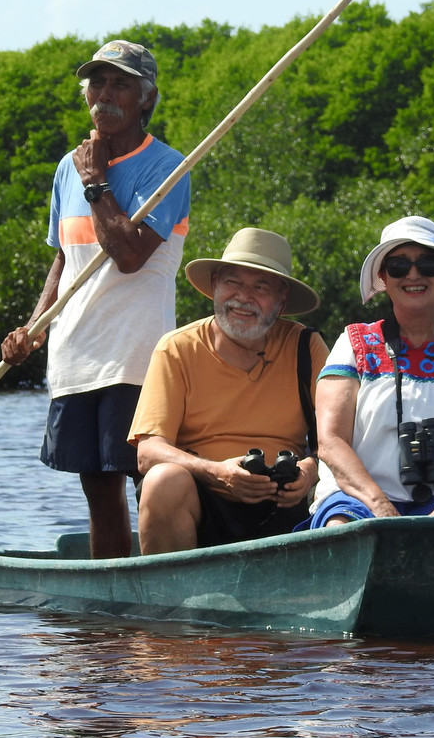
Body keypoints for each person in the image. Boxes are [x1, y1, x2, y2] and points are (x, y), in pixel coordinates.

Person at [1, 40, 191, 558]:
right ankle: (113, 619)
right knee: (98, 487)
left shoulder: (167, 167)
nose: (104, 94)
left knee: (147, 479)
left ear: (145, 100)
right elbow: (65, 259)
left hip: (137, 354)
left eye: (120, 84)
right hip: (75, 353)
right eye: (97, 82)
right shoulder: (69, 166)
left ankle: (157, 592)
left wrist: (96, 181)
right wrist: (34, 328)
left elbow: (128, 256)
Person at [300, 215, 434, 528]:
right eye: (399, 266)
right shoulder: (353, 343)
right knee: (342, 528)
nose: (413, 274)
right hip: (358, 497)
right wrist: (380, 507)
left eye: (428, 265)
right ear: (384, 277)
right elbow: (330, 441)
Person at [128, 228, 330, 554]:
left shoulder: (307, 346)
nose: (243, 297)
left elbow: (343, 439)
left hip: (286, 503)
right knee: (163, 480)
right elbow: (148, 453)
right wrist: (217, 472)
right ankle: (170, 600)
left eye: (260, 287)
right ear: (214, 286)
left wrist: (311, 470)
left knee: (342, 486)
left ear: (281, 302)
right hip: (204, 499)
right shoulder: (176, 348)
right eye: (233, 282)